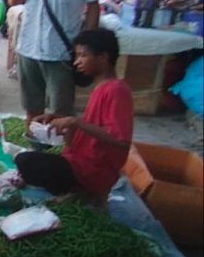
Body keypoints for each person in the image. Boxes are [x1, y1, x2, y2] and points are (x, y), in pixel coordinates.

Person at [15, 28, 133, 201]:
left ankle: (89, 192)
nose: (77, 62)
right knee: (27, 162)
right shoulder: (101, 88)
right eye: (77, 56)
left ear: (103, 57)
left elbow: (120, 139)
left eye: (83, 56)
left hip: (95, 169)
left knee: (26, 161)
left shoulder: (117, 90)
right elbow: (93, 128)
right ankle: (79, 190)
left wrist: (75, 122)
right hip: (80, 160)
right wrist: (57, 118)